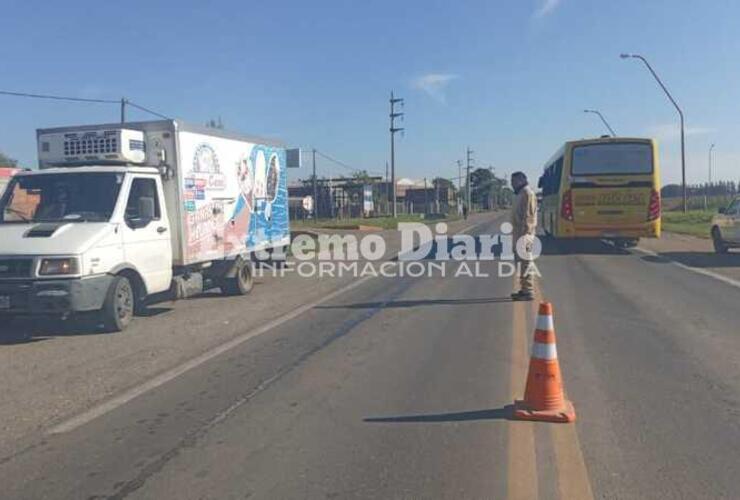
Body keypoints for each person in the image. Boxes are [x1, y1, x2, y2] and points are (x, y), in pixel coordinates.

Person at [509, 171, 537, 301]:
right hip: (518, 233)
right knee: (521, 264)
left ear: (522, 180)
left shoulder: (527, 193)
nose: (512, 184)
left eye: (514, 181)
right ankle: (524, 289)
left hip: (524, 234)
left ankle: (528, 291)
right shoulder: (521, 194)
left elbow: (528, 216)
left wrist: (524, 235)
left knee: (525, 263)